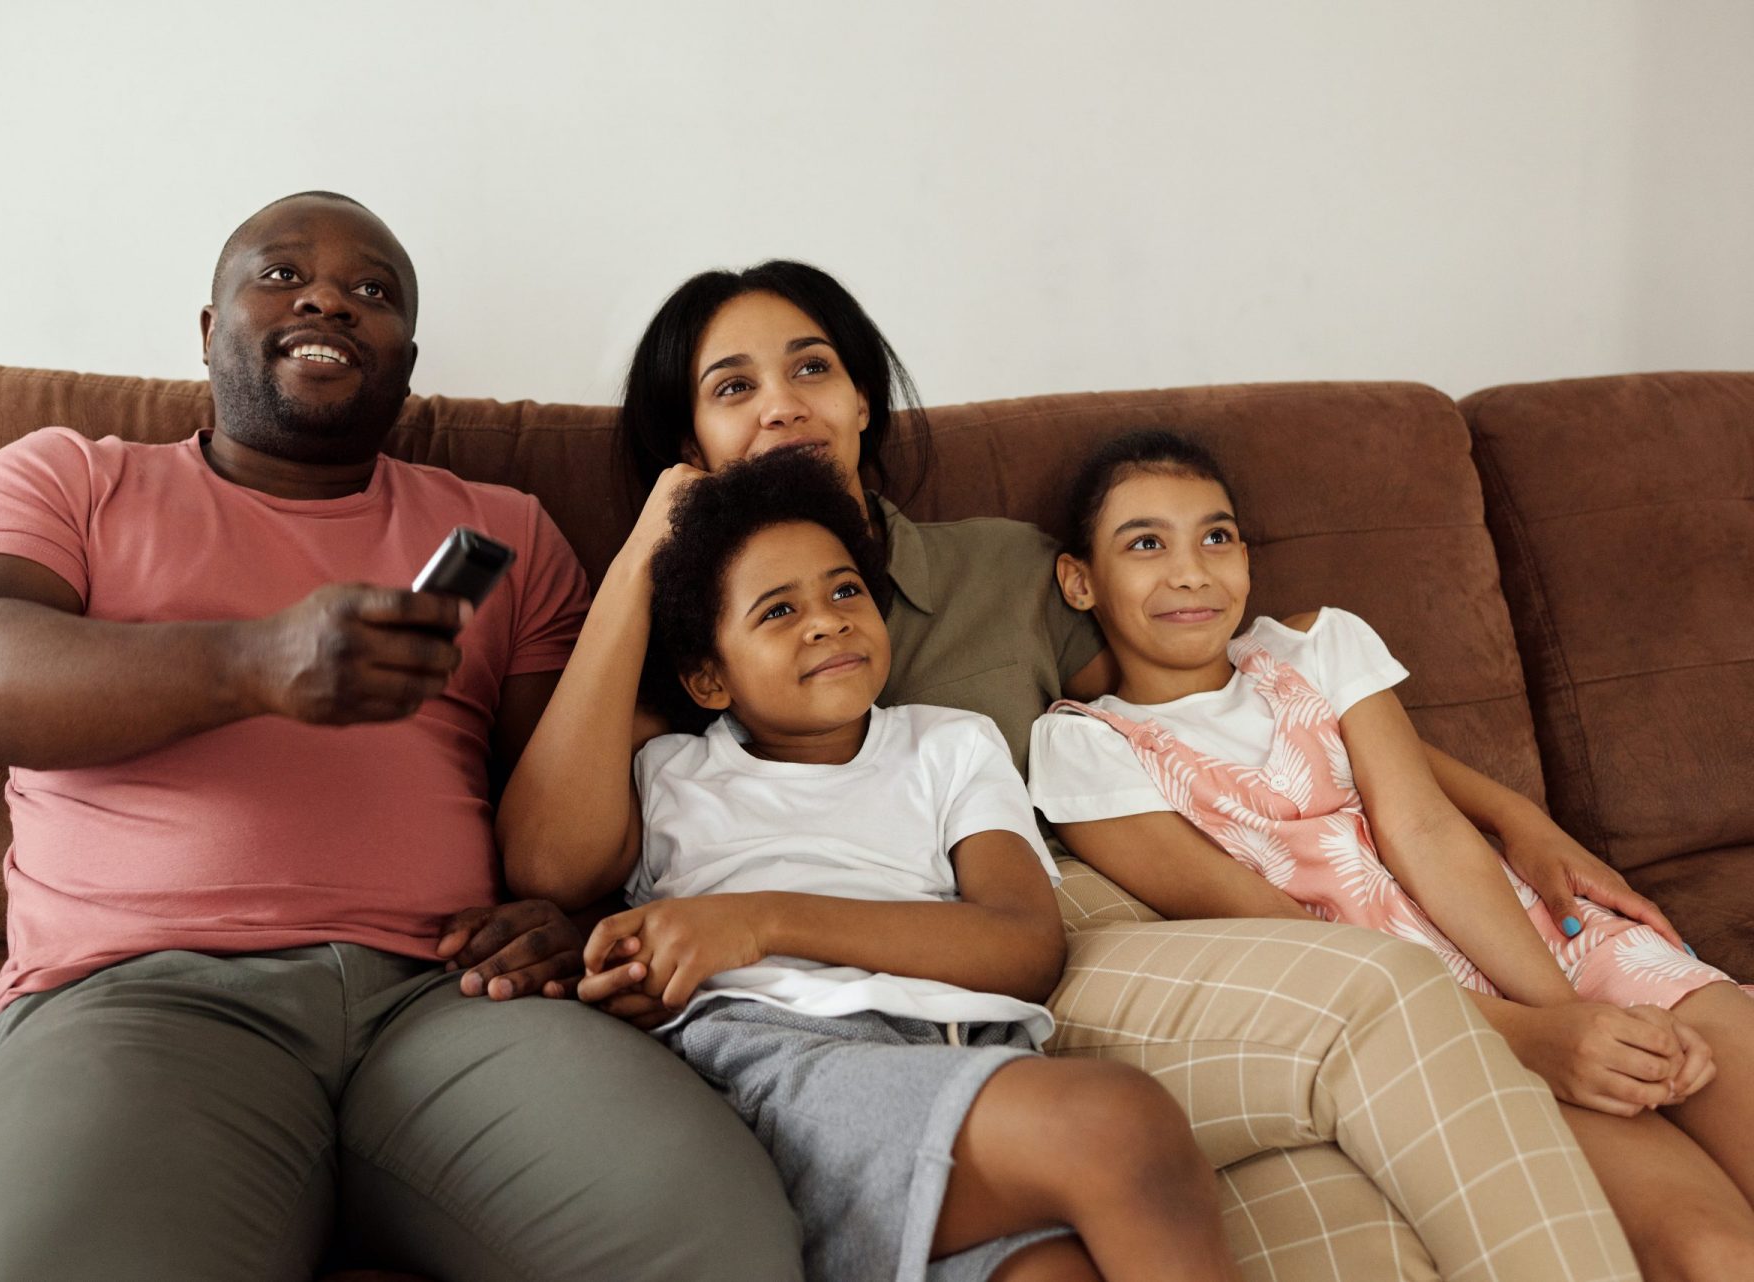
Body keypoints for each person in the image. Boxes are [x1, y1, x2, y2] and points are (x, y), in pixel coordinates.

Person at [500, 259, 1644, 1279]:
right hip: (885, 1009)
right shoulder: (685, 667)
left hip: (1075, 910)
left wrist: (1506, 811)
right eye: (733, 386)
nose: (784, 400)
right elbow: (554, 858)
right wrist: (654, 545)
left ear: (861, 399)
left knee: (1351, 1126)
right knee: (1336, 1097)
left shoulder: (1002, 569)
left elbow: (1230, 676)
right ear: (688, 442)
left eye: (811, 365)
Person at [0, 191, 800, 1282]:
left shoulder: (502, 529)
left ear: (405, 367)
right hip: (138, 999)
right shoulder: (72, 478)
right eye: (280, 275)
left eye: (374, 292)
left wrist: (570, 916)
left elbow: (566, 804)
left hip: (453, 1000)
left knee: (715, 1245)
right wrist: (253, 663)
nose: (329, 295)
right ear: (206, 329)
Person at [1028, 429, 1754, 1279]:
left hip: (1547, 948)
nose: (1191, 571)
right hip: (1435, 1030)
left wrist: (1574, 1016)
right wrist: (1536, 1038)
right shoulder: (1087, 749)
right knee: (1715, 1252)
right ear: (1080, 580)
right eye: (1145, 543)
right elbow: (1282, 942)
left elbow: (1428, 832)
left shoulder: (1316, 647)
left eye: (1216, 536)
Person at [561, 446, 1240, 1281]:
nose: (827, 620)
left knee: (1053, 1272)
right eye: (777, 611)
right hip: (779, 1065)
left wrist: (761, 919)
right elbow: (552, 870)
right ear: (708, 677)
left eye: (845, 590)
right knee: (1117, 1123)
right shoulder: (667, 770)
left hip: (961, 1054)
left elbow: (1025, 948)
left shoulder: (948, 744)